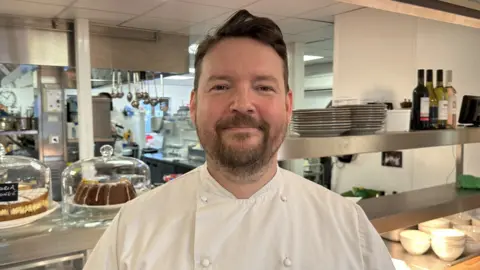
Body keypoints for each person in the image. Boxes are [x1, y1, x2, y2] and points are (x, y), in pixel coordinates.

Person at [84, 10, 395, 270]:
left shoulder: (347, 226)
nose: (243, 103)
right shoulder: (134, 226)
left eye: (263, 87)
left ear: (287, 106)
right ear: (194, 105)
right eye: (221, 86)